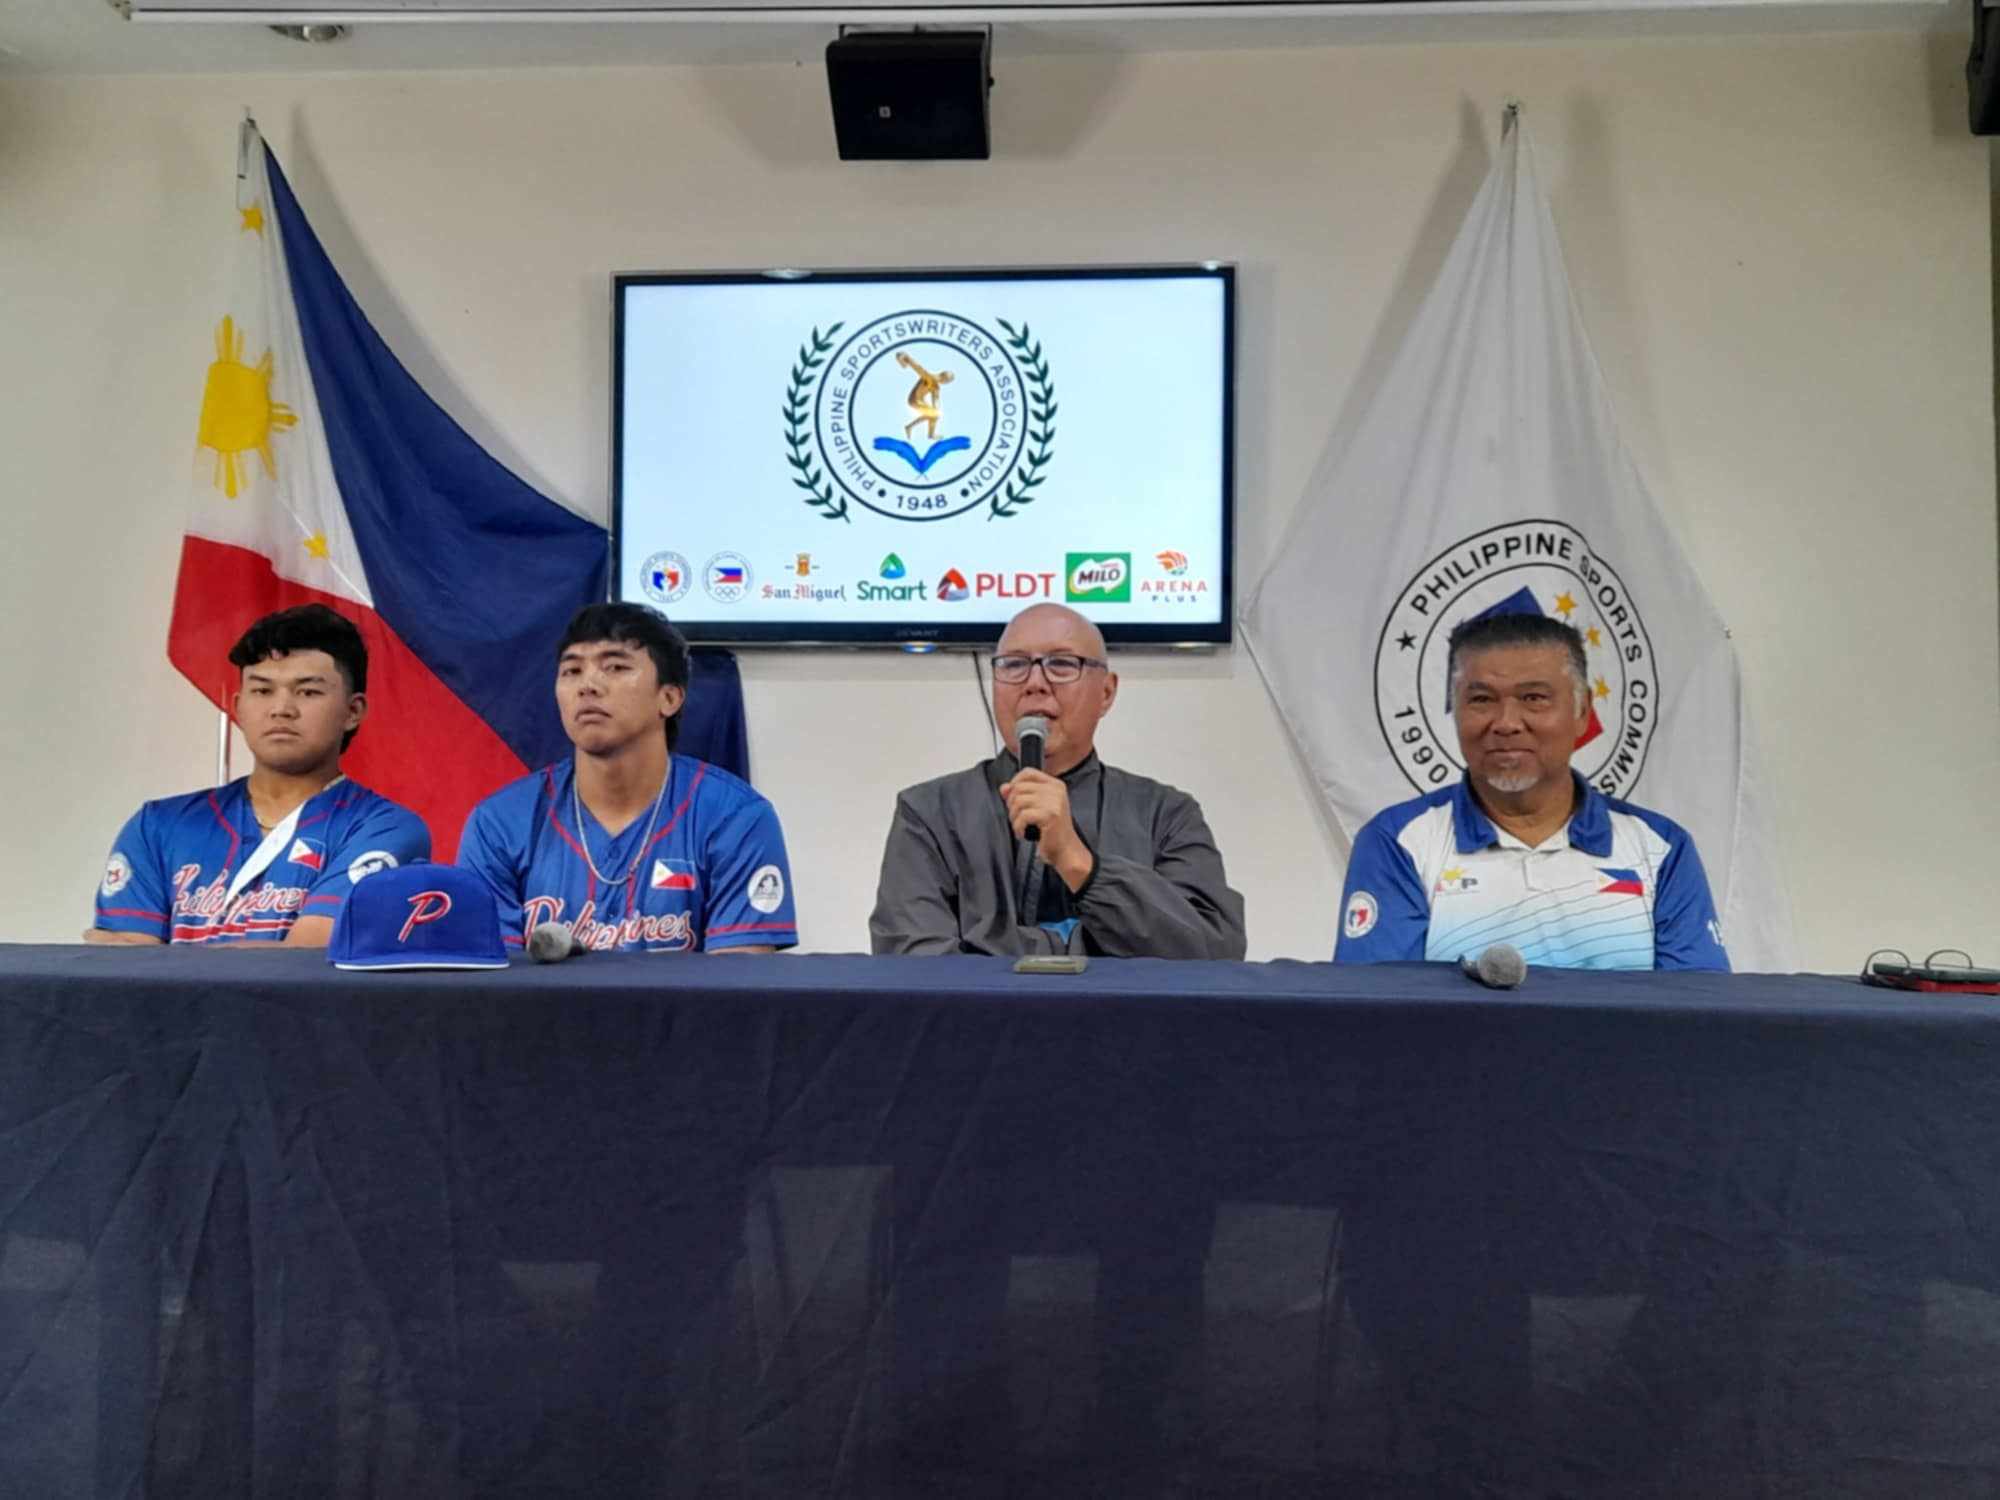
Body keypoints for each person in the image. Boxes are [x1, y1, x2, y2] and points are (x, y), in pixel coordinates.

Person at [1335, 611, 1729, 970]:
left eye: (1534, 698)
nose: (1506, 723)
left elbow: (1696, 1013)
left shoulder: (1662, 849)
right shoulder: (1398, 842)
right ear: (1455, 709)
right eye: (1481, 699)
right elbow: (1379, 1015)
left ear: (1582, 712)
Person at [869, 602, 1245, 958]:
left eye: (1062, 664)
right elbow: (914, 965)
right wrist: (1096, 954)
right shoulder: (928, 813)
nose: (1035, 682)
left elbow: (1214, 952)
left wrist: (1078, 862)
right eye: (1014, 665)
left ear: (1107, 692)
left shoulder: (1166, 814)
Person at [457, 602, 796, 954]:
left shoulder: (736, 817)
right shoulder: (499, 824)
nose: (587, 685)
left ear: (669, 697)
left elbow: (740, 989)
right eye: (571, 671)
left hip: (687, 1012)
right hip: (542, 1012)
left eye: (615, 667)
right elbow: (491, 990)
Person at [86, 604, 430, 947]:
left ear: (353, 712)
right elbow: (123, 971)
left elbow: (304, 962)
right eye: (262, 691)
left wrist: (164, 962)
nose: (281, 709)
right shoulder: (158, 826)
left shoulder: (385, 828)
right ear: (238, 707)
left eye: (308, 691)